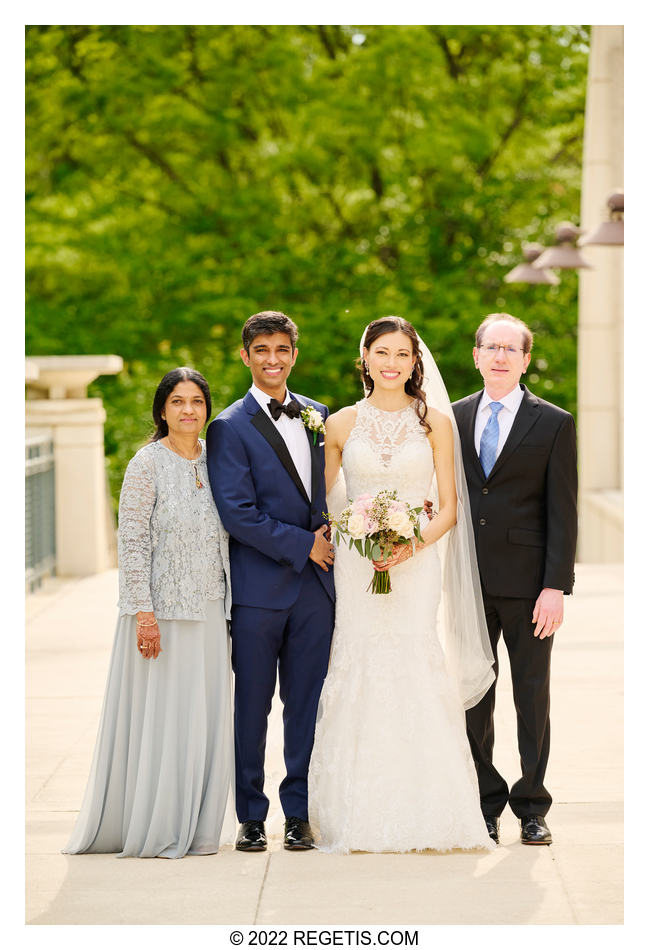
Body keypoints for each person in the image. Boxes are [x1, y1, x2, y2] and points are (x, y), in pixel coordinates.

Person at [307, 316, 496, 854]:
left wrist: (409, 545)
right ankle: (353, 809)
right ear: (364, 357)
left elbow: (451, 506)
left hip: (415, 565)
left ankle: (431, 806)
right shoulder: (339, 424)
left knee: (414, 660)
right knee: (359, 660)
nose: (392, 364)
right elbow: (321, 505)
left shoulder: (435, 423)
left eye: (402, 355)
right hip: (356, 563)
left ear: (415, 363)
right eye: (382, 352)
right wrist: (356, 534)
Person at [63, 368, 234, 859]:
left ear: (207, 410)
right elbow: (132, 543)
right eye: (177, 401)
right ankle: (157, 826)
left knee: (203, 722)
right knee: (165, 721)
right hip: (161, 615)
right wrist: (144, 614)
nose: (188, 410)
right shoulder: (146, 464)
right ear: (162, 410)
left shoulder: (216, 460)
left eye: (197, 401)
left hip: (210, 609)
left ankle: (199, 827)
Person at [207, 311, 335, 853]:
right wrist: (302, 543)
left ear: (294, 355)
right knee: (253, 705)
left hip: (316, 589)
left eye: (282, 349)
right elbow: (237, 513)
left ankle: (299, 813)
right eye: (262, 350)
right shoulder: (229, 426)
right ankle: (251, 815)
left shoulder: (317, 415)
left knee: (306, 704)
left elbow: (323, 497)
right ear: (245, 356)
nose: (273, 359)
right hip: (259, 589)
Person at [452, 313, 578, 846]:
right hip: (466, 583)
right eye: (491, 346)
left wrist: (556, 585)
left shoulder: (553, 422)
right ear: (476, 355)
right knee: (473, 696)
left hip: (529, 587)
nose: (500, 356)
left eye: (511, 348)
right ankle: (486, 800)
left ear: (526, 360)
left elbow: (563, 511)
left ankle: (531, 804)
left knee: (531, 695)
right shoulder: (448, 418)